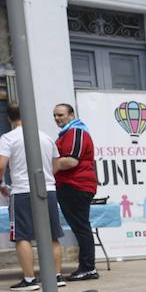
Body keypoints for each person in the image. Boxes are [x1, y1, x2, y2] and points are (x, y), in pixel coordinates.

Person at [0, 104, 65, 291]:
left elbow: (0, 165)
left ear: (9, 118)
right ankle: (57, 276)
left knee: (22, 235)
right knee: (52, 235)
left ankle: (30, 279)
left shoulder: (8, 138)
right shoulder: (46, 137)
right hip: (48, 189)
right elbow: (57, 164)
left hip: (22, 191)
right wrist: (47, 177)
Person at [51, 103, 99, 281]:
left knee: (81, 227)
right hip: (71, 185)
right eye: (55, 115)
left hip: (76, 185)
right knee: (81, 227)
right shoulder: (66, 133)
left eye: (61, 115)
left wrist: (48, 167)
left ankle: (88, 268)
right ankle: (87, 267)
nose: (57, 118)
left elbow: (71, 161)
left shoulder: (76, 132)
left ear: (71, 115)